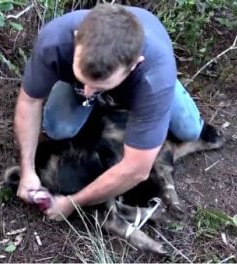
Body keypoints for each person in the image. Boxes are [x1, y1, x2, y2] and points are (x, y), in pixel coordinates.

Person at [13, 4, 204, 221]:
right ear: (77, 40)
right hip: (104, 73)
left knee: (190, 130)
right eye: (84, 79)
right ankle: (95, 87)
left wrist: (72, 202)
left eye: (98, 86)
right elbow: (29, 101)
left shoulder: (154, 78)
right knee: (57, 128)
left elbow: (136, 170)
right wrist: (27, 171)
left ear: (134, 65)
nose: (87, 92)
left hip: (148, 82)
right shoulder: (55, 40)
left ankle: (150, 100)